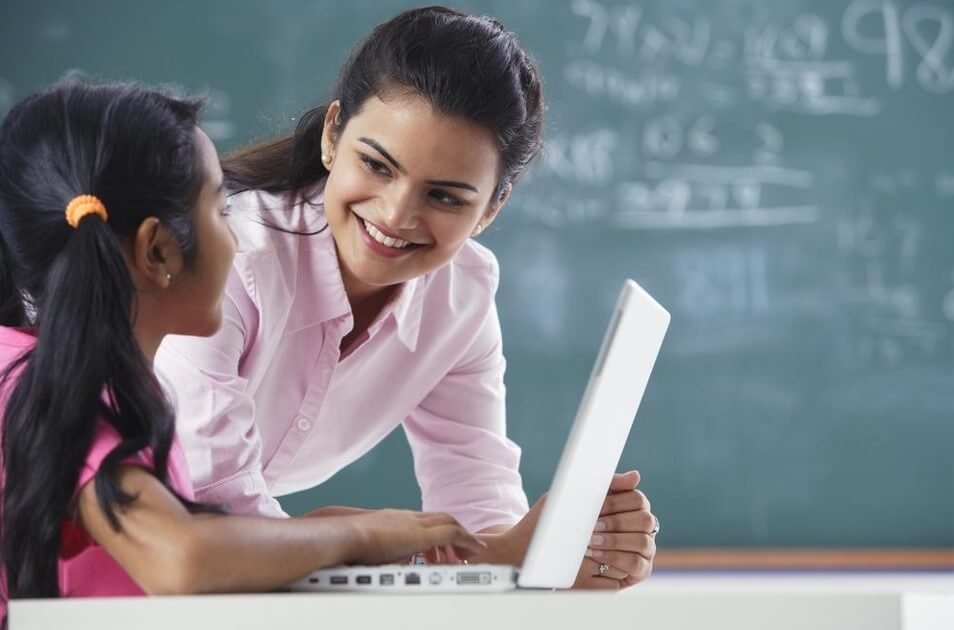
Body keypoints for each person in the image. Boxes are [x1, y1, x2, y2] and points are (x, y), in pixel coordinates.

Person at [156, 6, 658, 589]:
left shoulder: (461, 297)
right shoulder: (231, 261)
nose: (396, 215)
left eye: (445, 197)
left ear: (491, 208)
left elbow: (478, 497)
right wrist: (441, 551)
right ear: (332, 133)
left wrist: (560, 551)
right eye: (376, 165)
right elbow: (219, 522)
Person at [0, 78, 484, 618]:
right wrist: (363, 535)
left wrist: (323, 534)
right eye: (221, 211)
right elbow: (184, 559)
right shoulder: (53, 390)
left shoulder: (75, 381)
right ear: (158, 252)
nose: (239, 237)